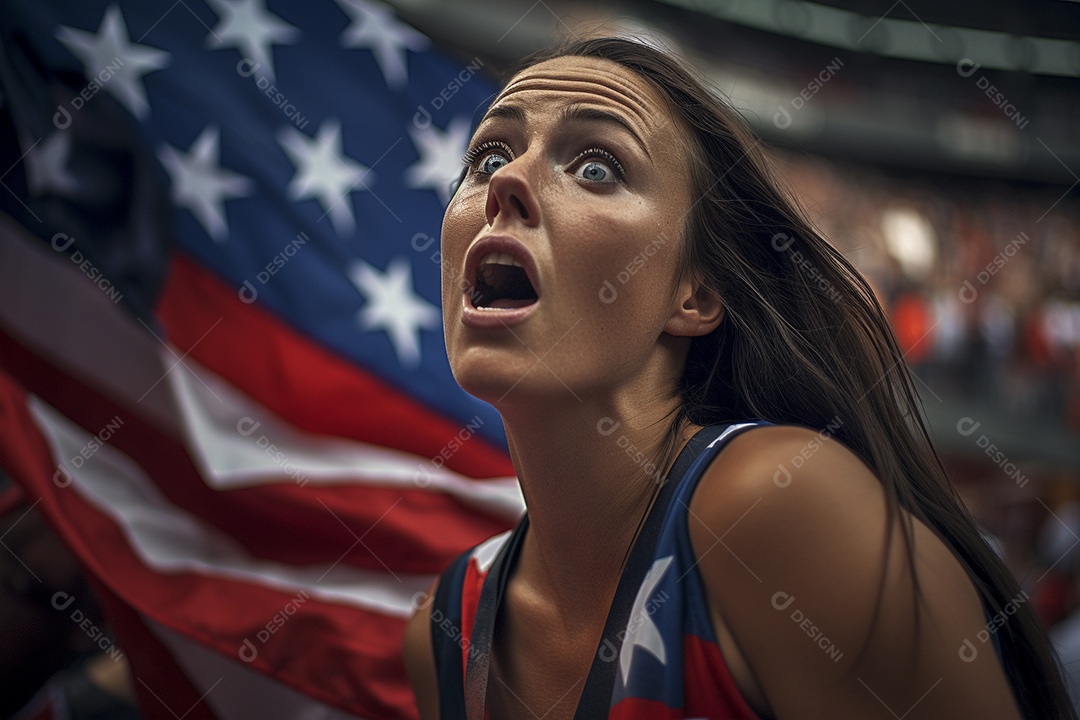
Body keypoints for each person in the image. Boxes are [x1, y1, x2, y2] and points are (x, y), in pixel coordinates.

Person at [403, 37, 1075, 719]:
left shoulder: (780, 507)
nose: (507, 183)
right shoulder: (442, 630)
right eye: (487, 157)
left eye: (598, 167)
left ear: (693, 295)